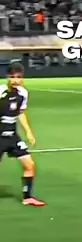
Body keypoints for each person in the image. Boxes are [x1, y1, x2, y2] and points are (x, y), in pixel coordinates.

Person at [0, 62, 45, 206]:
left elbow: (21, 113)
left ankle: (27, 197)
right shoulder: (1, 91)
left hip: (13, 137)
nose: (15, 80)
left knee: (29, 165)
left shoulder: (23, 93)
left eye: (18, 77)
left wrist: (29, 132)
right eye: (12, 77)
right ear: (7, 77)